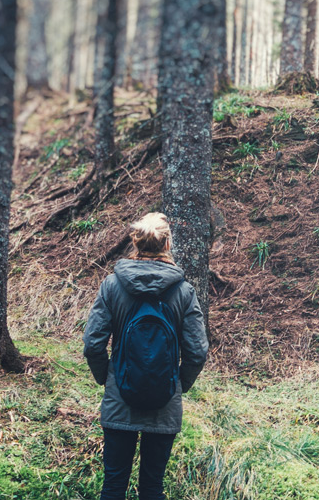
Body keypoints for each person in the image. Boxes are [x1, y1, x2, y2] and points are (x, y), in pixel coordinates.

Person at [83, 212, 209, 500]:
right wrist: (179, 383)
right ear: (167, 244)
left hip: (120, 399)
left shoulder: (112, 286)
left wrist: (108, 378)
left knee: (113, 487)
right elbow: (197, 351)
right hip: (164, 401)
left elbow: (93, 344)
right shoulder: (184, 291)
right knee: (152, 489)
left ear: (135, 242)